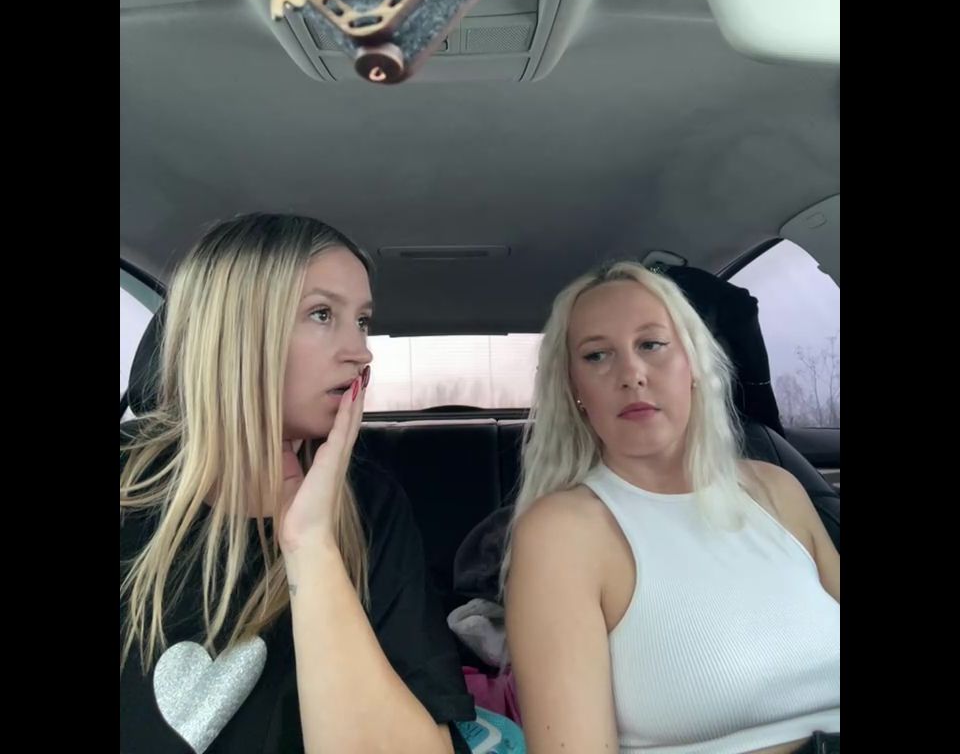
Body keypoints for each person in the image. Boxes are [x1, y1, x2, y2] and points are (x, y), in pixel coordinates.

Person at [121, 213, 476, 754]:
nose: (361, 350)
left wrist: (310, 546)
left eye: (362, 320)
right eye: (322, 314)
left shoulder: (370, 504)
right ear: (235, 329)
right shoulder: (131, 483)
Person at [503, 261, 840, 754]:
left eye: (652, 344)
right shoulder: (563, 532)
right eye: (597, 355)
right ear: (575, 391)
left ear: (695, 365)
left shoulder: (777, 489)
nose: (631, 374)